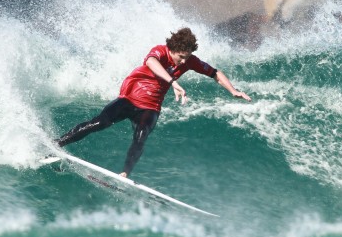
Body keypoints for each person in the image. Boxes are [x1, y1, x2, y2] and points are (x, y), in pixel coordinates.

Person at [55, 27, 251, 178]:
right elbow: (151, 62)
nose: (184, 62)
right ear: (172, 49)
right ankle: (58, 143)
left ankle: (124, 174)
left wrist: (232, 90)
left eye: (188, 57)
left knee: (141, 136)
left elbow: (214, 73)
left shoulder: (190, 61)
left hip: (151, 107)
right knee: (98, 123)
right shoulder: (159, 51)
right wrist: (173, 82)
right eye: (181, 57)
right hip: (129, 99)